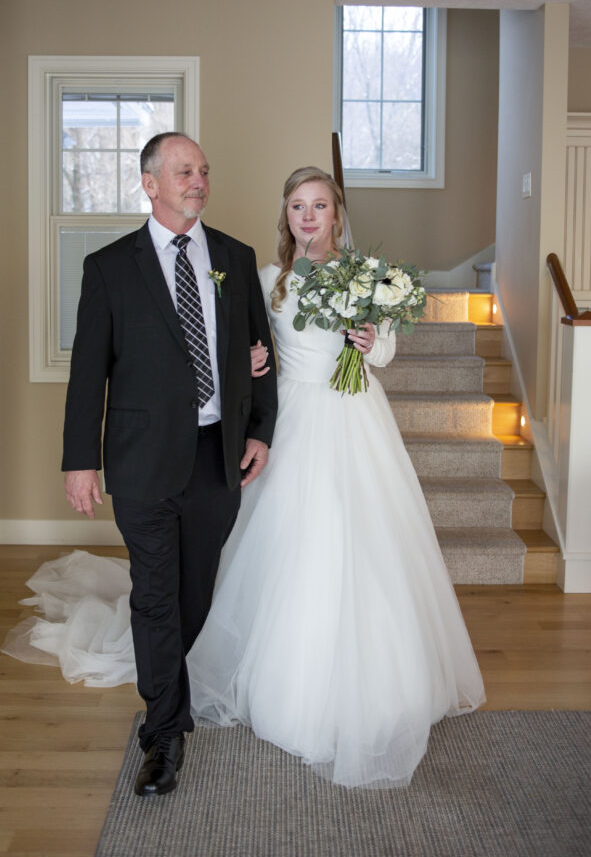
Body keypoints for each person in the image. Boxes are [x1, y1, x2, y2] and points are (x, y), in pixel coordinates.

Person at [185, 166, 486, 788]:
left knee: (362, 542)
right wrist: (253, 358)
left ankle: (376, 681)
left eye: (320, 205)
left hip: (353, 415)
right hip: (292, 417)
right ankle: (279, 681)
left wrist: (372, 339)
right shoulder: (271, 279)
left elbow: (383, 355)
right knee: (292, 544)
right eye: (298, 206)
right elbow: (249, 349)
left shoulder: (364, 275)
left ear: (336, 214)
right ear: (286, 215)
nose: (309, 216)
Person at [59, 132, 278, 796]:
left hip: (217, 460)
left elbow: (260, 355)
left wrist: (260, 430)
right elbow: (87, 372)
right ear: (150, 183)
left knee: (193, 593)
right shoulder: (109, 267)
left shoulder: (234, 259)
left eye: (204, 170)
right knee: (155, 598)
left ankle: (165, 693)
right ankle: (163, 733)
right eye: (184, 170)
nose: (198, 180)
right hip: (141, 461)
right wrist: (79, 460)